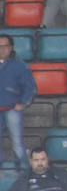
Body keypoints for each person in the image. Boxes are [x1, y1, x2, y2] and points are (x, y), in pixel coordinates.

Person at [0, 33, 36, 169]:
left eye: (5, 46)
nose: (2, 49)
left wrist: (23, 103)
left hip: (12, 110)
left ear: (11, 48)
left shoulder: (19, 66)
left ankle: (23, 172)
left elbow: (30, 87)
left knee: (17, 143)